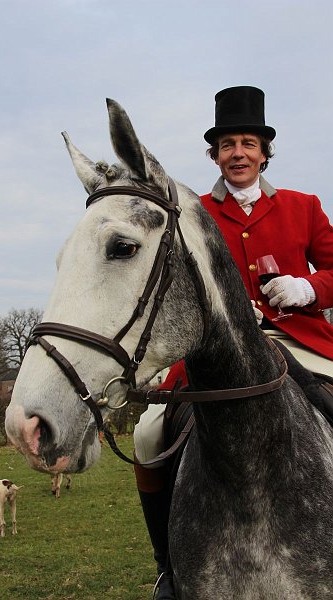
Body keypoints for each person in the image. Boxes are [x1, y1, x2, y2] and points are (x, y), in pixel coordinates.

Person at [133, 86, 333, 600]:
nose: (237, 153)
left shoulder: (303, 206)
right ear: (215, 155)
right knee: (148, 437)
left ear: (264, 152)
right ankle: (168, 570)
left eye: (247, 143)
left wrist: (308, 287)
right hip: (216, 353)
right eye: (227, 145)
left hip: (298, 338)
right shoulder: (194, 213)